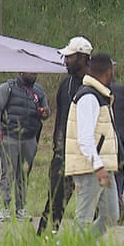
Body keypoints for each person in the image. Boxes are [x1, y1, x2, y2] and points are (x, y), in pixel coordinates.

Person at [37, 36, 92, 235]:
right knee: (55, 201)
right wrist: (57, 147)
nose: (65, 61)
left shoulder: (94, 85)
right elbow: (60, 118)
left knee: (92, 206)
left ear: (83, 58)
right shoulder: (65, 84)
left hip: (88, 155)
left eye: (70, 57)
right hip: (63, 154)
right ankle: (43, 241)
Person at [65, 53, 121, 235]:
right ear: (108, 72)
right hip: (90, 168)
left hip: (103, 166)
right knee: (84, 219)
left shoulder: (100, 96)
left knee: (111, 215)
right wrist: (97, 166)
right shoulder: (89, 97)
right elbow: (85, 138)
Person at [0, 71, 50, 221]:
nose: (33, 74)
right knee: (8, 173)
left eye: (35, 72)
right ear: (21, 71)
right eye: (30, 71)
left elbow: (46, 110)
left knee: (23, 175)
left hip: (29, 138)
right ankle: (4, 208)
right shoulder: (7, 88)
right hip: (10, 136)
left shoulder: (39, 91)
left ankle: (21, 208)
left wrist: (45, 113)